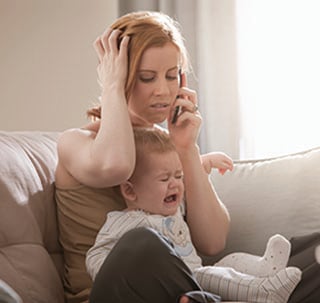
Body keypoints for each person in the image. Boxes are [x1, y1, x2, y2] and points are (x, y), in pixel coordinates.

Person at [55, 10, 231, 303]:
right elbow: (118, 165)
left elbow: (213, 241)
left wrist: (187, 149)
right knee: (141, 242)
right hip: (108, 294)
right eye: (147, 78)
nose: (163, 90)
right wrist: (111, 86)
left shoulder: (170, 147)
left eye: (172, 76)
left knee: (308, 255)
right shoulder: (76, 142)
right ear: (119, 73)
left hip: (171, 291)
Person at [86, 127, 301, 303]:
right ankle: (262, 292)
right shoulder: (124, 221)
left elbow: (192, 182)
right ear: (130, 191)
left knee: (229, 261)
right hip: (191, 277)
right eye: (164, 179)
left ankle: (266, 269)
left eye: (178, 176)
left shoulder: (175, 207)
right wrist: (109, 267)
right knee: (208, 274)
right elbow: (95, 255)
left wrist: (204, 162)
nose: (175, 184)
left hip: (199, 275)